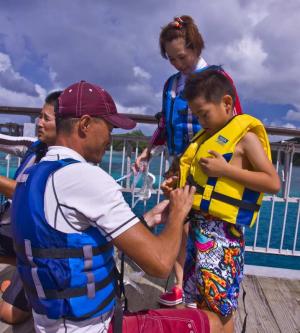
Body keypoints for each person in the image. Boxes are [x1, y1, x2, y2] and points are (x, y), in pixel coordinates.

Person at [10, 80, 224, 333]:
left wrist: (147, 219)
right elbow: (160, 263)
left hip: (49, 323)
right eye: (109, 127)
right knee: (210, 322)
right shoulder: (84, 177)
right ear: (85, 124)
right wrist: (178, 213)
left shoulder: (31, 175)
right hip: (92, 328)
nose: (111, 138)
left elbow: (67, 239)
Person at [134, 15, 243, 308]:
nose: (177, 63)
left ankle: (209, 285)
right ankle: (183, 285)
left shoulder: (216, 80)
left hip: (210, 165)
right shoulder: (171, 84)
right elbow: (165, 123)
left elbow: (237, 123)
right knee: (177, 222)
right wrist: (148, 150)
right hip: (177, 165)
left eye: (181, 56)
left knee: (207, 225)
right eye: (170, 58)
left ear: (195, 47)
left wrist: (232, 167)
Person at [163, 68, 280, 333]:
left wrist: (226, 170)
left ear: (227, 103)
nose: (201, 121)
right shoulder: (205, 138)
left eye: (204, 114)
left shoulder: (245, 139)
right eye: (197, 115)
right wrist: (174, 189)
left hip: (223, 237)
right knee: (198, 301)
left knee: (221, 307)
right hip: (198, 231)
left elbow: (272, 182)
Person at [0, 91, 61, 324]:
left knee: (9, 315)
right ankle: (21, 276)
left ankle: (27, 281)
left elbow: (25, 192)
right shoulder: (33, 147)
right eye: (39, 116)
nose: (39, 123)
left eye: (46, 118)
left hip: (38, 244)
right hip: (14, 227)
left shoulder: (62, 162)